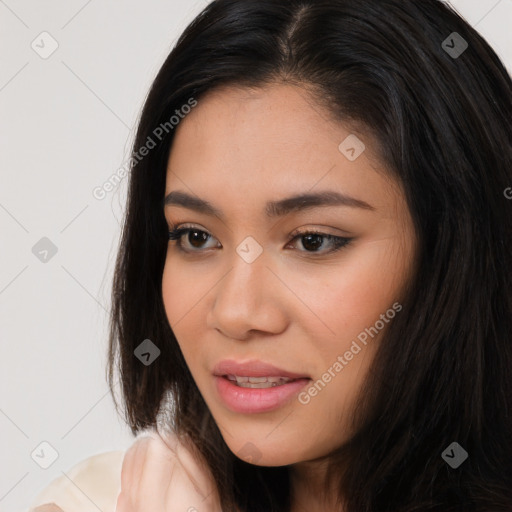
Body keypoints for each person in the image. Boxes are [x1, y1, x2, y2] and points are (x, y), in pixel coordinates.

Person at [35, 0, 512, 510]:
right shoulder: (107, 500)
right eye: (196, 237)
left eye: (313, 240)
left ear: (458, 254)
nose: (236, 313)